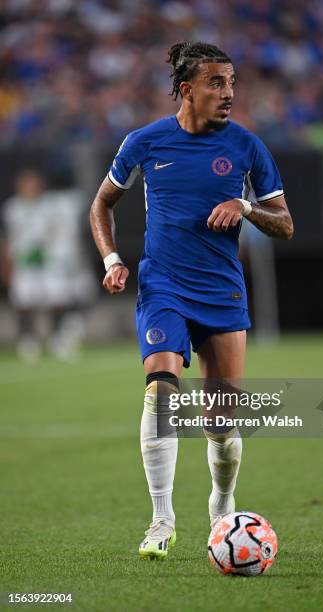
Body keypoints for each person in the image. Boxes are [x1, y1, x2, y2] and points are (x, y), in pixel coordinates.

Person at [89, 41, 293, 559]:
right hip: (164, 287)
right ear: (186, 90)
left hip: (222, 292)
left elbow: (286, 225)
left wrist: (244, 205)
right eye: (216, 84)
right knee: (160, 392)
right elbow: (101, 205)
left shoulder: (247, 147)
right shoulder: (144, 142)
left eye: (231, 83)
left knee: (220, 425)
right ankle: (161, 519)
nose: (228, 94)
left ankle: (222, 506)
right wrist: (113, 259)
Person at [0, 169, 95, 361]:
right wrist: (6, 263)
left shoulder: (49, 205)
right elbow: (7, 239)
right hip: (24, 262)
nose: (32, 188)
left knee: (56, 299)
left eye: (35, 183)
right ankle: (27, 339)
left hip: (48, 261)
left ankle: (56, 336)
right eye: (28, 184)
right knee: (24, 302)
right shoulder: (11, 208)